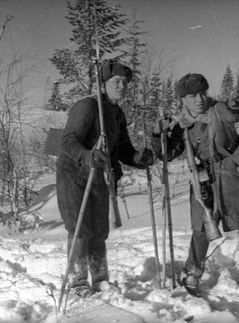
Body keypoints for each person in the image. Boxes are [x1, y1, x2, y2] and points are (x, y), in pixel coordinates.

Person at [151, 73, 239, 291]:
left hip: (232, 175)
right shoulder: (182, 126)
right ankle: (192, 272)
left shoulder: (218, 110)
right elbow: (167, 154)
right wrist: (156, 134)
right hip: (203, 179)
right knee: (201, 227)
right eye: (192, 96)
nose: (199, 99)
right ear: (183, 100)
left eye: (202, 94)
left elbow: (235, 112)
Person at [56, 60, 154, 297]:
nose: (122, 86)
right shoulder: (87, 107)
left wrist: (139, 158)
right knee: (81, 229)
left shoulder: (117, 113)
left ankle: (100, 279)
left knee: (99, 231)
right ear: (103, 83)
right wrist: (88, 155)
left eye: (125, 83)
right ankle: (78, 282)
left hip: (100, 177)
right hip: (74, 176)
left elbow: (122, 149)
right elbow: (68, 141)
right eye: (116, 82)